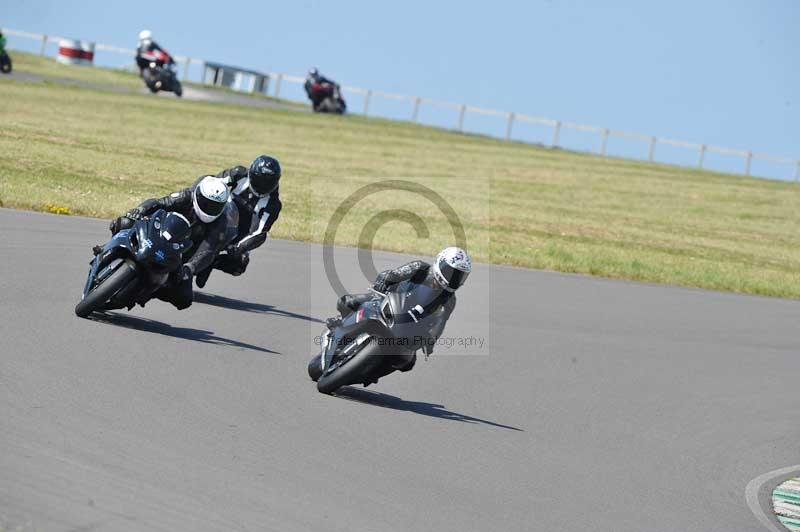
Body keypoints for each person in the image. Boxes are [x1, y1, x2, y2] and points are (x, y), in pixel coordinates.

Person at [326, 247, 472, 375]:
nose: (454, 278)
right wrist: (385, 280)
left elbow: (440, 323)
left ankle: (370, 371)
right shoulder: (420, 268)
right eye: (451, 272)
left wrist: (430, 341)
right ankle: (341, 323)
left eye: (459, 276)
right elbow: (395, 273)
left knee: (408, 363)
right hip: (386, 301)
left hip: (409, 328)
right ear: (440, 262)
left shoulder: (450, 300)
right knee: (348, 302)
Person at [103, 176, 234, 310]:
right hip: (157, 231)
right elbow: (159, 203)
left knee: (184, 298)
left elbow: (208, 250)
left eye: (215, 206)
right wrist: (140, 210)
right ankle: (107, 250)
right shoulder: (186, 196)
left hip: (180, 256)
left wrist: (190, 268)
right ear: (198, 194)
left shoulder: (220, 223)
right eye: (205, 202)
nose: (209, 208)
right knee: (123, 222)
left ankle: (146, 293)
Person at [193, 155, 283, 288]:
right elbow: (211, 182)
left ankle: (211, 262)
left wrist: (240, 247)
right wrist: (191, 194)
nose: (262, 186)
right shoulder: (238, 174)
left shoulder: (273, 204)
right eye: (260, 181)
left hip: (239, 236)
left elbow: (259, 232)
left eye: (268, 183)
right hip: (218, 217)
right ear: (251, 173)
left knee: (240, 264)